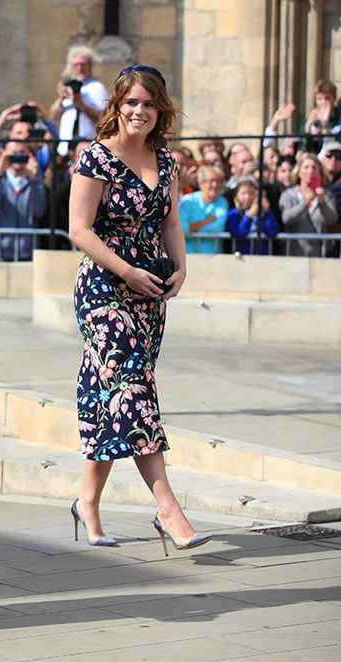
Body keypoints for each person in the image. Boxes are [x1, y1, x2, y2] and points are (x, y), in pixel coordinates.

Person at [68, 64, 210, 553]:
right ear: (117, 106)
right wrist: (125, 270)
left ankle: (87, 501)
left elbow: (170, 221)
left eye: (148, 104)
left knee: (107, 396)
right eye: (131, 103)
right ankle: (167, 506)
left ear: (159, 109)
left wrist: (182, 267)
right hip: (104, 290)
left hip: (151, 293)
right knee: (132, 385)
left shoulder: (167, 161)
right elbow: (79, 230)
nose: (139, 111)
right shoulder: (97, 159)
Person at [0, 141, 47, 261]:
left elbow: (39, 210)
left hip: (29, 251)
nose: (18, 157)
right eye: (13, 154)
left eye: (22, 153)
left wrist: (35, 179)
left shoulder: (34, 181)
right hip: (2, 249)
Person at [51, 46, 109, 156]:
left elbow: (103, 120)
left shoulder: (97, 88)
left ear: (90, 66)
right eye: (76, 65)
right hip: (64, 148)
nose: (79, 68)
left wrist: (81, 105)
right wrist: (60, 99)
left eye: (83, 64)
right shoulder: (67, 87)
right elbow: (53, 118)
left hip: (87, 146)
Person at [279, 152, 339, 256]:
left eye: (314, 168)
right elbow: (286, 218)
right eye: (306, 167)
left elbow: (332, 219)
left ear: (319, 172)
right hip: (294, 255)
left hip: (321, 256)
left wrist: (322, 203)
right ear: (299, 172)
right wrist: (305, 203)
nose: (310, 171)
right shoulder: (289, 195)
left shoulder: (326, 195)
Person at [179, 164, 229, 253]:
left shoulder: (222, 202)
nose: (215, 185)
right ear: (201, 183)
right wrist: (205, 221)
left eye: (219, 181)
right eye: (211, 181)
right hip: (189, 255)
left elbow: (218, 228)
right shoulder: (187, 201)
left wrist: (193, 227)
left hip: (214, 256)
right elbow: (183, 229)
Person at [227, 177, 278, 255]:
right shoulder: (233, 214)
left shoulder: (264, 212)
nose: (247, 197)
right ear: (236, 196)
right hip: (242, 257)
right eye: (243, 193)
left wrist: (266, 212)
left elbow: (272, 231)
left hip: (263, 257)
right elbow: (238, 233)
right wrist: (249, 215)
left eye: (251, 193)